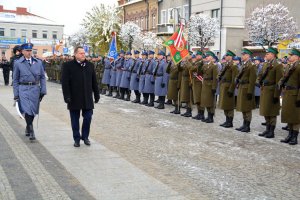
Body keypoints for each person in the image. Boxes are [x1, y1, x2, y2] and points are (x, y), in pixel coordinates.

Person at [61, 46, 100, 147]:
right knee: (75, 120)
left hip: (87, 97)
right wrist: (67, 96)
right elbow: (65, 83)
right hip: (74, 97)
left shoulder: (90, 65)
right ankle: (76, 138)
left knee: (88, 117)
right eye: (81, 53)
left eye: (84, 53)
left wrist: (96, 94)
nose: (83, 55)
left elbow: (94, 82)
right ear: (75, 54)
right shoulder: (68, 65)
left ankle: (85, 136)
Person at [13, 43, 47, 141]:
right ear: (22, 51)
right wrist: (16, 94)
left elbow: (42, 77)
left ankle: (28, 126)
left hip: (35, 89)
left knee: (33, 110)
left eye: (30, 50)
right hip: (23, 88)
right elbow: (15, 80)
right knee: (27, 109)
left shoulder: (38, 62)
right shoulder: (18, 63)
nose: (29, 52)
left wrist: (43, 90)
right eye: (27, 51)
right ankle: (31, 130)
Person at [256, 47, 283, 138]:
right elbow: (260, 74)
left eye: (268, 54)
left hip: (272, 91)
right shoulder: (265, 64)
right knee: (265, 111)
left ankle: (271, 131)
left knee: (272, 112)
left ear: (273, 55)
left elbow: (279, 81)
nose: (266, 55)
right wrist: (259, 81)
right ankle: (267, 129)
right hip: (264, 90)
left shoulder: (277, 65)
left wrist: (276, 95)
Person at [279, 48, 300, 145]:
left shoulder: (299, 67)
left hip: (295, 94)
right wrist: (280, 84)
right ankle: (289, 135)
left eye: (292, 55)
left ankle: (294, 137)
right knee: (289, 115)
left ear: (297, 57)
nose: (289, 57)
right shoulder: (289, 66)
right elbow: (284, 77)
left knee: (295, 116)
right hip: (287, 93)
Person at [235, 48, 257, 133]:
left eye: (244, 55)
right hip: (242, 87)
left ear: (248, 55)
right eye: (242, 55)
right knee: (243, 107)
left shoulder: (252, 65)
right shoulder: (244, 65)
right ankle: (244, 124)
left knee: (247, 108)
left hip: (247, 88)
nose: (242, 56)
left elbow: (252, 80)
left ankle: (247, 126)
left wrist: (250, 92)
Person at [218, 50, 239, 128]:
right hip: (224, 86)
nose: (225, 57)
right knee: (224, 105)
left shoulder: (234, 66)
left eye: (226, 56)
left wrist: (231, 89)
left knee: (229, 105)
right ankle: (227, 120)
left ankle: (230, 122)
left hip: (229, 87)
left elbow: (234, 79)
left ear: (230, 57)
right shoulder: (225, 65)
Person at [200, 51, 218, 123]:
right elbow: (200, 72)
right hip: (205, 84)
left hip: (210, 85)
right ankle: (208, 116)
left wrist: (214, 87)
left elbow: (215, 78)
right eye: (206, 56)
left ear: (211, 57)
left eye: (208, 56)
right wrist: (201, 63)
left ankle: (211, 117)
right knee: (205, 101)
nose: (206, 57)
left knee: (210, 102)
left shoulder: (214, 66)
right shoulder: (205, 65)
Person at [190, 51, 205, 120]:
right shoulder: (197, 62)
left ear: (200, 56)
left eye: (197, 55)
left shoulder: (201, 63)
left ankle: (201, 114)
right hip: (195, 82)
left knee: (199, 98)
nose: (195, 57)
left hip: (199, 82)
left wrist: (191, 63)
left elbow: (192, 69)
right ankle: (199, 113)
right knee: (196, 98)